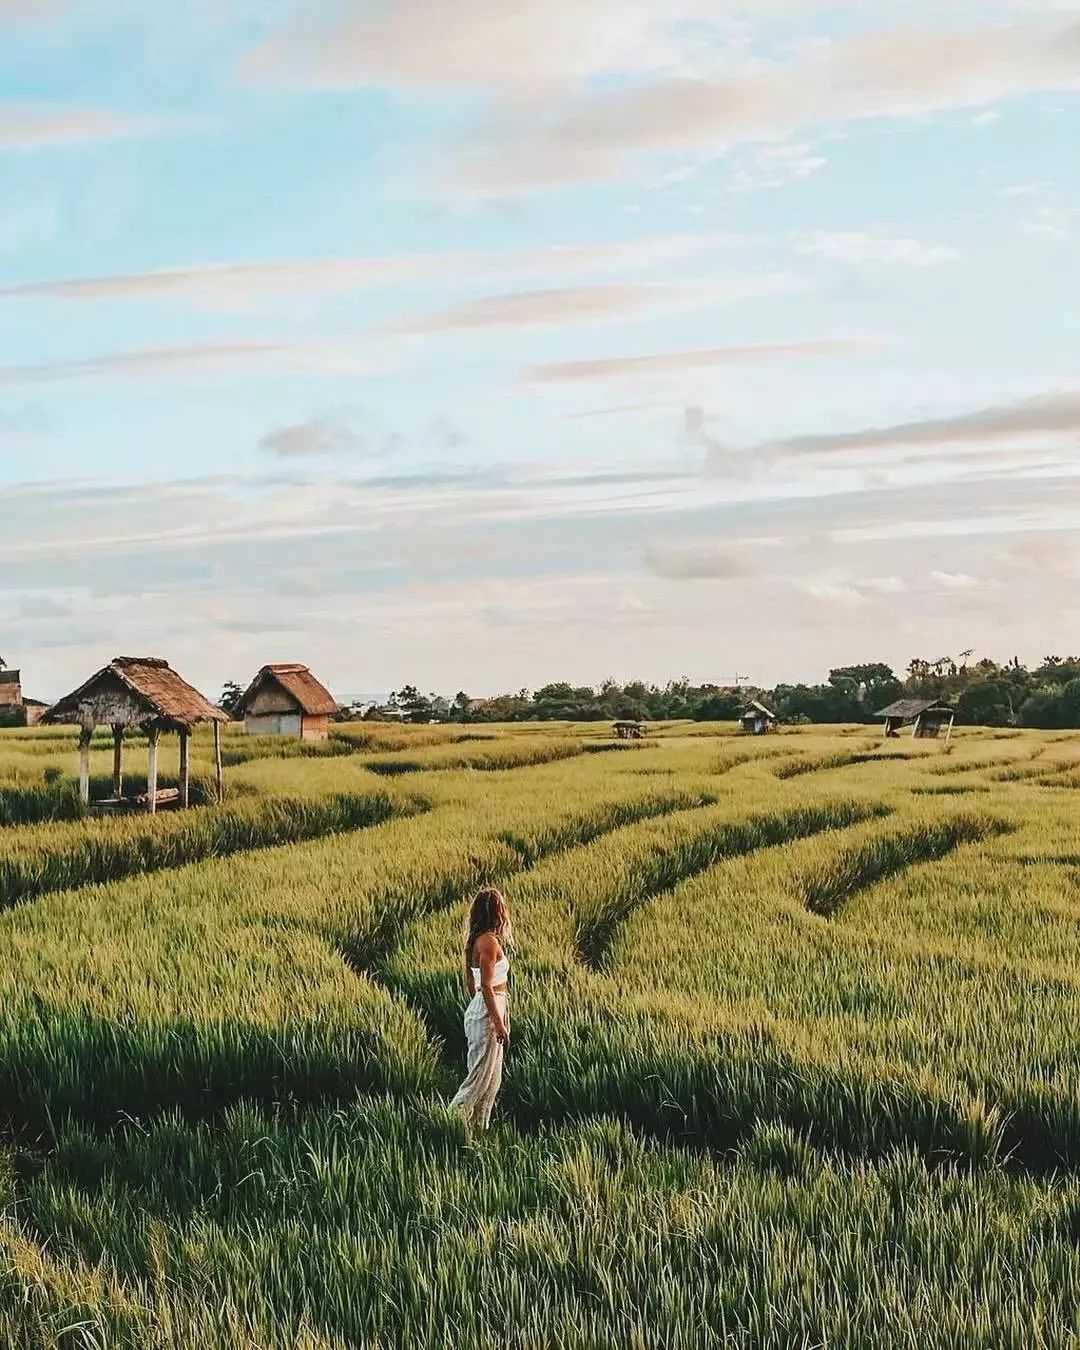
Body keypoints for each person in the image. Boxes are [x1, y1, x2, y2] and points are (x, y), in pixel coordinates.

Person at [450, 886, 511, 1131]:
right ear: (497, 912)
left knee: (491, 1082)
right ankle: (448, 1123)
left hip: (488, 1010)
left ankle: (478, 1131)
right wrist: (497, 1023)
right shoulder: (488, 942)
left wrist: (500, 1018)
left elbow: (475, 986)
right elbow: (486, 986)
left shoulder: (482, 940)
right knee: (477, 1081)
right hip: (487, 1014)